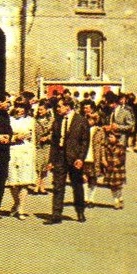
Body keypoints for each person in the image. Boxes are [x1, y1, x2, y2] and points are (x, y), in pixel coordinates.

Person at [47, 95, 90, 223]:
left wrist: (81, 158)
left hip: (75, 158)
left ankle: (80, 211)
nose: (58, 109)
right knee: (58, 186)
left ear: (68, 106)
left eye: (60, 106)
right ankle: (56, 214)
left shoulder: (81, 120)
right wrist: (51, 160)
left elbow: (85, 141)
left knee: (77, 186)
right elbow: (54, 142)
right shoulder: (57, 120)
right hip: (60, 156)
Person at [5, 100, 37, 219]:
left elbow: (34, 138)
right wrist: (15, 137)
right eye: (18, 107)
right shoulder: (9, 119)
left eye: (23, 107)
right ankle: (16, 203)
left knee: (24, 182)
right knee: (13, 182)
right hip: (13, 150)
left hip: (26, 151)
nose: (20, 109)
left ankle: (21, 208)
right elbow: (6, 135)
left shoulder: (31, 121)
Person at [99, 109, 129, 209]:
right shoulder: (107, 146)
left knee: (118, 185)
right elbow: (104, 153)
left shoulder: (120, 146)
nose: (110, 139)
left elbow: (123, 157)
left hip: (118, 169)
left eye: (112, 137)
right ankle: (115, 200)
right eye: (109, 137)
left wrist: (119, 161)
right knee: (112, 186)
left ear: (116, 137)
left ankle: (120, 197)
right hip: (110, 168)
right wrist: (104, 161)